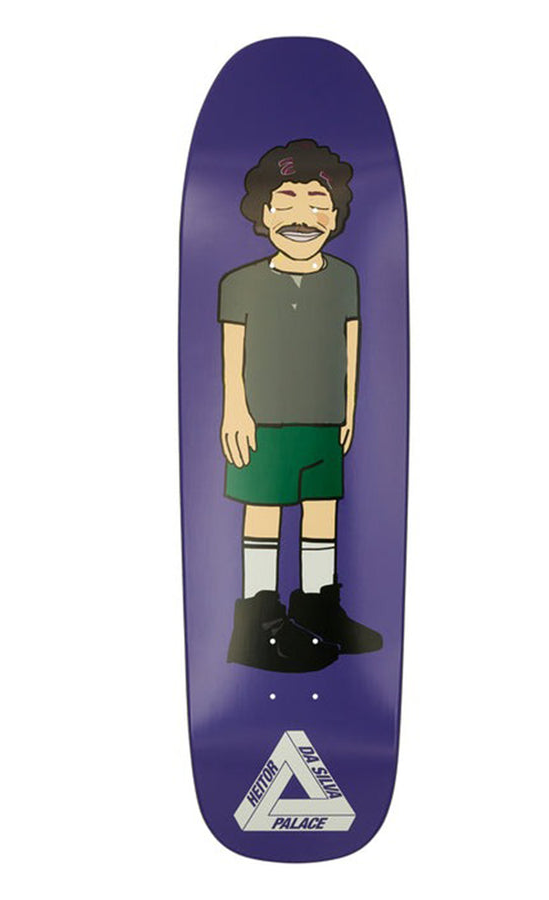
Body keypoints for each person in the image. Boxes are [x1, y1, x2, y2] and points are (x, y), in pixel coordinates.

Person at [218, 139, 382, 672]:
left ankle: (317, 609)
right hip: (263, 422)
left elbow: (350, 345)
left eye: (318, 203)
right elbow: (232, 355)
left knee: (321, 510)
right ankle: (256, 626)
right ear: (264, 213)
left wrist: (349, 411)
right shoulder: (240, 283)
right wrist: (234, 410)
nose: (302, 218)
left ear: (335, 217)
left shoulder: (344, 278)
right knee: (264, 511)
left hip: (323, 418)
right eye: (286, 202)